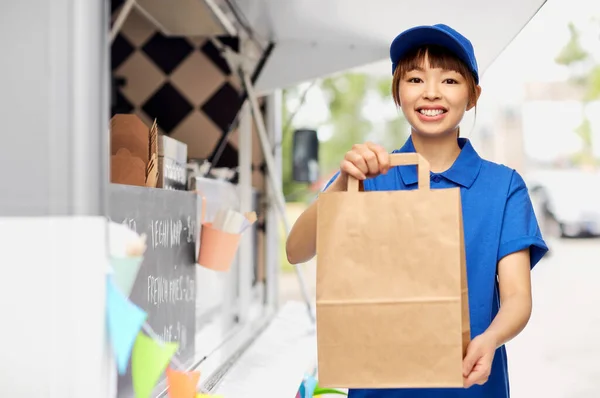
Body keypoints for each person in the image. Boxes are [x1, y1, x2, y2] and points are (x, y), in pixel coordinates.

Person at [285, 24, 548, 398]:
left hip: (470, 387)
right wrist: (343, 182)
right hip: (378, 389)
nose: (431, 93)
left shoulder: (503, 187)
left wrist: (490, 340)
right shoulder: (368, 178)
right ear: (398, 92)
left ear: (473, 96)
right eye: (415, 78)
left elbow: (518, 297)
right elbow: (296, 250)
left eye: (450, 81)